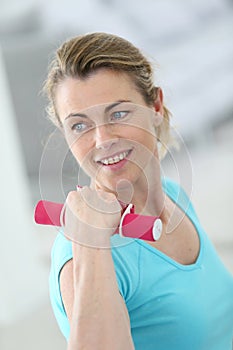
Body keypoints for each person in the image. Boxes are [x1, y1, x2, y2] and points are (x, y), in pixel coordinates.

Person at [43, 32, 233, 349]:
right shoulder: (77, 259)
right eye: (79, 125)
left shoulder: (175, 196)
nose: (102, 140)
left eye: (118, 114)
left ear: (155, 105)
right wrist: (91, 242)